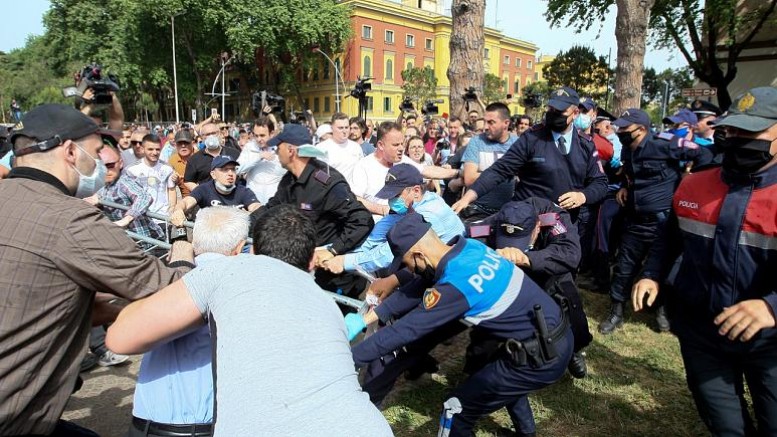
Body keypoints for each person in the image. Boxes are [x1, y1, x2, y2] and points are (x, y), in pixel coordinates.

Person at [106, 204, 393, 437]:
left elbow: (120, 339)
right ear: (310, 262)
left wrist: (178, 263)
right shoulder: (327, 304)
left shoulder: (225, 272)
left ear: (250, 251)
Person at [0, 104, 193, 437]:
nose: (103, 161)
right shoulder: (70, 219)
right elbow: (172, 287)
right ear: (70, 152)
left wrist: (88, 308)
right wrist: (182, 244)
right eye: (97, 150)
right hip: (15, 416)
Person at [632, 86, 777, 436]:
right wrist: (652, 273)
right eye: (733, 130)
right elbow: (669, 239)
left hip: (770, 341)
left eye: (752, 132)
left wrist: (772, 306)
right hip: (702, 333)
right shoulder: (693, 185)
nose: (739, 140)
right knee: (726, 427)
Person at [347, 213, 572, 437]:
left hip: (539, 358)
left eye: (408, 265)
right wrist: (370, 317)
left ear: (418, 255)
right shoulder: (471, 248)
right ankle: (526, 434)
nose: (411, 271)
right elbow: (421, 284)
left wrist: (345, 357)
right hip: (554, 335)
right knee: (500, 373)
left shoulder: (456, 287)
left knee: (454, 411)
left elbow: (404, 331)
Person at [129, 207, 249, 437]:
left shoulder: (159, 277)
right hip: (205, 424)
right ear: (239, 247)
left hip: (145, 420)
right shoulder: (242, 289)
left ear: (195, 240)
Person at [598, 108, 712, 335]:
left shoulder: (664, 143)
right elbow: (630, 173)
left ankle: (661, 310)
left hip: (663, 222)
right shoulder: (628, 150)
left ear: (641, 129)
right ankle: (616, 312)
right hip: (635, 220)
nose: (620, 131)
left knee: (663, 268)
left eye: (625, 128)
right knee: (624, 267)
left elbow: (704, 155)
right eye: (619, 127)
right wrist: (625, 187)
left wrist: (692, 180)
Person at [454, 86, 608, 227]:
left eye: (560, 111)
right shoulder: (532, 138)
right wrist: (469, 197)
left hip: (565, 224)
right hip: (528, 220)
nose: (553, 114)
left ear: (575, 113)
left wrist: (583, 196)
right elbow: (500, 170)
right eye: (551, 109)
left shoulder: (585, 144)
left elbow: (600, 182)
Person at [256, 124, 373, 298]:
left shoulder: (326, 183)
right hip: (302, 272)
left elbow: (362, 220)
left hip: (332, 279)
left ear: (290, 150)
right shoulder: (289, 180)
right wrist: (239, 225)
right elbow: (271, 210)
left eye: (278, 147)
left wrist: (333, 250)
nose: (276, 152)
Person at [487, 198, 592, 379]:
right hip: (513, 273)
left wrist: (527, 259)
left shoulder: (553, 218)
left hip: (550, 269)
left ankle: (574, 349)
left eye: (519, 241)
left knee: (570, 308)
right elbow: (471, 234)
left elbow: (571, 254)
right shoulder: (501, 218)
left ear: (537, 227)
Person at [323, 163, 465, 276]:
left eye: (396, 195)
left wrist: (344, 261)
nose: (391, 200)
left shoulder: (429, 214)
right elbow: (372, 238)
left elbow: (387, 254)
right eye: (389, 196)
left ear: (416, 191)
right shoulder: (407, 206)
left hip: (451, 273)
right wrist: (330, 250)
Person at [84, 143, 166, 251]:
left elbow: (144, 197)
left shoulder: (124, 181)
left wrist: (126, 219)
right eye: (101, 167)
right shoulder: (105, 186)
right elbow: (98, 196)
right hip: (131, 243)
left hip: (150, 243)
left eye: (110, 165)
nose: (106, 170)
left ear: (120, 163)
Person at [459, 102, 519, 221]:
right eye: (485, 122)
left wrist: (485, 174)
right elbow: (469, 178)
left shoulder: (517, 144)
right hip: (479, 211)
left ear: (506, 123)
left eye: (491, 122)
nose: (485, 127)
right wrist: (505, 173)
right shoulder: (476, 142)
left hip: (510, 210)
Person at [171, 157, 261, 226]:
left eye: (233, 169)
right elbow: (186, 202)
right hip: (212, 237)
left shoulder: (243, 191)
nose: (230, 173)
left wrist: (251, 213)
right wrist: (178, 210)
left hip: (238, 238)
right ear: (213, 174)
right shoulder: (204, 189)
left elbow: (256, 207)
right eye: (225, 170)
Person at [350, 121, 409, 220]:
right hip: (377, 222)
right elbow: (355, 198)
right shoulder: (364, 166)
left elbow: (426, 171)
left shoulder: (403, 161)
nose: (401, 148)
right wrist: (382, 209)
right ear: (381, 145)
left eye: (402, 144)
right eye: (395, 145)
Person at [124, 133, 177, 220]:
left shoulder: (168, 168)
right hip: (140, 216)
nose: (155, 153)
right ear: (143, 149)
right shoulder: (131, 170)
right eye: (150, 149)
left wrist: (172, 209)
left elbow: (171, 190)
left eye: (157, 149)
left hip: (162, 217)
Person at [237, 117, 286, 204]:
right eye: (256, 135)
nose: (259, 139)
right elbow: (237, 169)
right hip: (253, 201)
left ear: (271, 133)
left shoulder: (281, 148)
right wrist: (258, 157)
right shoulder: (249, 148)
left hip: (275, 201)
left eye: (262, 135)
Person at [183, 122, 240, 188]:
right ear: (201, 137)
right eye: (207, 134)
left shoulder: (234, 153)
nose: (211, 136)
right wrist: (200, 191)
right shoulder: (194, 159)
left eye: (214, 133)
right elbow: (188, 181)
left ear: (219, 134)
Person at [316, 112, 364, 186]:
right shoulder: (321, 148)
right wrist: (332, 184)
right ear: (332, 128)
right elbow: (316, 173)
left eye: (346, 127)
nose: (344, 131)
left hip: (352, 191)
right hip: (331, 190)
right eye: (340, 128)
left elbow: (362, 171)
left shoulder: (356, 147)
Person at [169, 129, 196, 197]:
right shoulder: (172, 160)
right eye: (180, 143)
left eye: (186, 143)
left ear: (192, 143)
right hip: (183, 198)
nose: (183, 146)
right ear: (175, 145)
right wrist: (174, 179)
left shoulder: (201, 157)